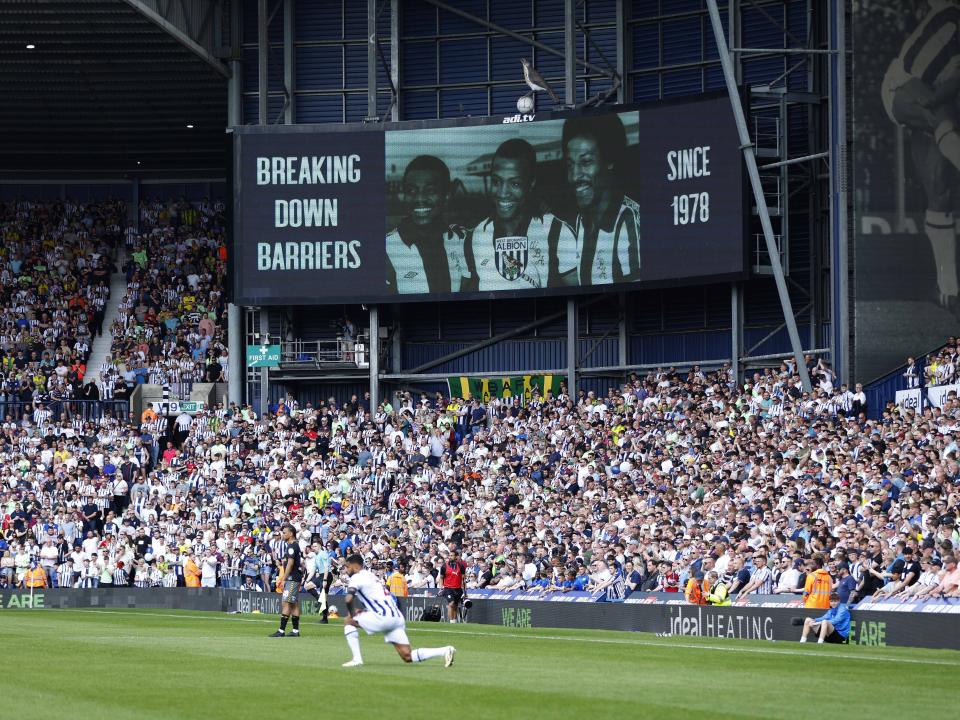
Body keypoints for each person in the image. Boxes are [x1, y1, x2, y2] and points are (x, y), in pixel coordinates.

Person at [880, 0, 960, 310]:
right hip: (904, 86)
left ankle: (948, 291)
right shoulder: (948, 19)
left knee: (939, 194)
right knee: (936, 114)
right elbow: (931, 97)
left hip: (940, 98)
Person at [462, 139, 575, 292]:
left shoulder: (557, 232)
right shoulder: (475, 237)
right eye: (496, 182)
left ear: (531, 184)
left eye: (514, 183)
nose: (502, 193)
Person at [554, 113, 641, 287]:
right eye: (570, 165)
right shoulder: (579, 222)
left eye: (586, 162)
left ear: (609, 160)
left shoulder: (629, 220)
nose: (575, 176)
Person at [341, 554, 455, 668]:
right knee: (407, 656)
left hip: (382, 617)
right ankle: (445, 650)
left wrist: (353, 614)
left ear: (355, 565)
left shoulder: (357, 577)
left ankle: (357, 659)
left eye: (347, 566)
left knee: (349, 620)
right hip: (396, 617)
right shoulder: (370, 576)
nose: (346, 570)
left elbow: (348, 598)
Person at [385, 155, 468, 294]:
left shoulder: (463, 241)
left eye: (430, 190)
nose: (420, 198)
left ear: (446, 195)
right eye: (411, 190)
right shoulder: (387, 250)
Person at [270, 524, 304, 638]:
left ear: (291, 533)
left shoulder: (291, 546)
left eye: (284, 532)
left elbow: (290, 563)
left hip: (292, 578)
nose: (283, 534)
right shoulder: (294, 545)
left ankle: (281, 630)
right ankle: (295, 631)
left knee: (286, 602)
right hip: (295, 577)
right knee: (293, 603)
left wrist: (283, 578)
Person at [304, 540, 336, 623]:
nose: (313, 548)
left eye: (315, 546)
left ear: (320, 546)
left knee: (323, 597)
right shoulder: (316, 555)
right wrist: (306, 580)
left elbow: (326, 567)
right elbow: (313, 569)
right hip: (321, 576)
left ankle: (325, 618)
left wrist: (325, 580)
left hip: (327, 576)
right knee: (307, 586)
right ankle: (319, 601)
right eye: (313, 547)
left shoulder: (324, 554)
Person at [439, 547, 468, 623]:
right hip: (448, 588)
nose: (450, 557)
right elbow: (441, 578)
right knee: (451, 604)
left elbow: (463, 579)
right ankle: (451, 622)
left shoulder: (461, 566)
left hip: (458, 589)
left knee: (455, 606)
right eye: (449, 555)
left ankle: (454, 622)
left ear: (456, 557)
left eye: (452, 555)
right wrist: (441, 588)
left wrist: (465, 592)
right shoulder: (444, 566)